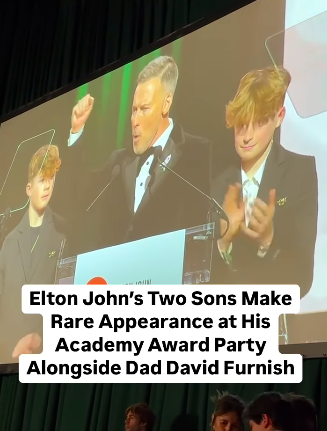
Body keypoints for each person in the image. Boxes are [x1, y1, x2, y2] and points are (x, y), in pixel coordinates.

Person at [65, 55, 212, 255]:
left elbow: (200, 227)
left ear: (166, 104)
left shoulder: (196, 152)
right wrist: (76, 131)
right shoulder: (119, 162)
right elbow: (79, 193)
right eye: (133, 110)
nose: (134, 120)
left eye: (144, 109)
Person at [211, 66, 318, 297]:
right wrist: (224, 241)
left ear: (279, 117)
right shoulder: (217, 184)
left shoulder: (299, 172)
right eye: (241, 123)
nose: (246, 136)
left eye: (259, 122)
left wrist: (268, 241)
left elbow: (302, 279)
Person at [0, 145, 66, 363]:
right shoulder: (9, 242)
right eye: (42, 180)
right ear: (29, 188)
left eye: (51, 178)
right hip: (6, 356)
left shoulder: (61, 235)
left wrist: (41, 340)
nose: (47, 186)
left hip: (41, 356)